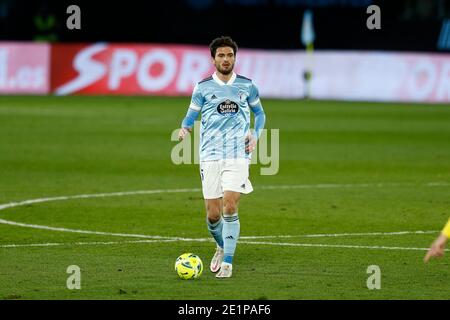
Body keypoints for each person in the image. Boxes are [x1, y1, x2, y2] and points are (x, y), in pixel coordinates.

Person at [178, 36, 266, 278]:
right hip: (209, 155)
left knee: (229, 205)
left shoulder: (247, 85)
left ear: (235, 58)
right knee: (213, 214)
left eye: (229, 55)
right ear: (213, 59)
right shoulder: (202, 87)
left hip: (238, 154)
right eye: (221, 55)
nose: (226, 59)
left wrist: (256, 134)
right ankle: (220, 244)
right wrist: (184, 127)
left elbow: (260, 114)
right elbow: (190, 115)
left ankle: (227, 262)